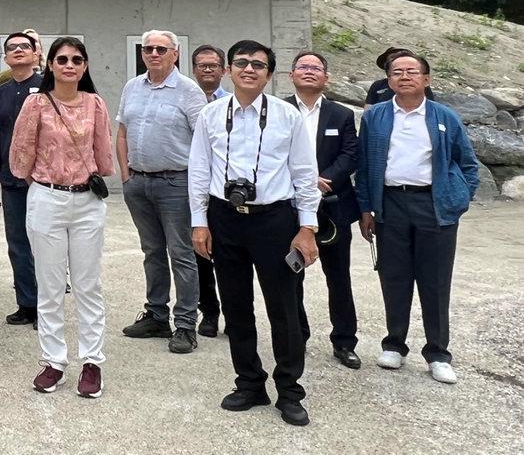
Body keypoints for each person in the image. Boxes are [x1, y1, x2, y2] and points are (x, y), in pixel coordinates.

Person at [190, 40, 320, 427]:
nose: (249, 69)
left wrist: (307, 228)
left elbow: (304, 174)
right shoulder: (211, 115)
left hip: (274, 220)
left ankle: (290, 391)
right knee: (236, 306)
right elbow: (199, 170)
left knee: (284, 308)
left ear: (269, 73)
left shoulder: (287, 115)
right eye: (242, 63)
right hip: (225, 218)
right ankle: (249, 382)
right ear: (229, 70)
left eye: (258, 65)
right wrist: (199, 221)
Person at [356, 50, 479, 385]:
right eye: (397, 72)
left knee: (435, 281)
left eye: (412, 71)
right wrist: (366, 208)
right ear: (388, 80)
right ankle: (394, 344)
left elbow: (467, 164)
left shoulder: (445, 117)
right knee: (394, 277)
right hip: (391, 203)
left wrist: (459, 199)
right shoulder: (376, 116)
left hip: (434, 205)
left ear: (426, 79)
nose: (404, 76)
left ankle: (438, 353)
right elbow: (365, 167)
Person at [11, 37, 115, 397]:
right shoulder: (35, 103)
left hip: (87, 201)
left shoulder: (95, 104)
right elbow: (20, 154)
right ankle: (54, 361)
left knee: (88, 285)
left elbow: (103, 156)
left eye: (76, 59)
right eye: (62, 59)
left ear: (84, 66)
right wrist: (43, 182)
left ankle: (92, 362)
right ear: (50, 64)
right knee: (51, 287)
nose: (69, 65)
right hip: (46, 198)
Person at [116, 30, 208, 353]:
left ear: (175, 53)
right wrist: (127, 176)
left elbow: (203, 142)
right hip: (139, 184)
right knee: (152, 251)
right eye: (148, 49)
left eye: (160, 49)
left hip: (175, 184)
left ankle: (185, 325)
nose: (153, 53)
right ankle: (156, 314)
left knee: (181, 254)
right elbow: (123, 132)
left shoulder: (189, 91)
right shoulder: (132, 87)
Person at [285, 51, 362, 369]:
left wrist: (322, 180)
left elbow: (350, 154)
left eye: (316, 68)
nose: (309, 71)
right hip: (288, 206)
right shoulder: (278, 109)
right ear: (291, 75)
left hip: (332, 206)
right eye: (302, 67)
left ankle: (344, 342)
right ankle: (296, 337)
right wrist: (303, 180)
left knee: (339, 277)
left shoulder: (341, 114)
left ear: (326, 78)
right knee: (291, 276)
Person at [0, 31, 43, 327]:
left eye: (25, 46)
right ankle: (27, 303)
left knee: (46, 243)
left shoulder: (49, 87)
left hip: (44, 180)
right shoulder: (3, 93)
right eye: (12, 48)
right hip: (11, 180)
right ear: (6, 57)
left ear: (36, 53)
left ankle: (47, 307)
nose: (18, 50)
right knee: (18, 243)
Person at [189, 43, 228, 335]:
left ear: (223, 70)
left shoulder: (233, 102)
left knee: (228, 257)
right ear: (193, 70)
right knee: (200, 253)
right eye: (202, 65)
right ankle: (209, 312)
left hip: (226, 189)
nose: (207, 70)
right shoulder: (185, 98)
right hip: (195, 186)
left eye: (213, 65)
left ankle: (235, 314)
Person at [364, 46, 437, 108]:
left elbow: (430, 104)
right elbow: (369, 108)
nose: (405, 77)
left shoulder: (418, 84)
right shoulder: (378, 85)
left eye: (411, 72)